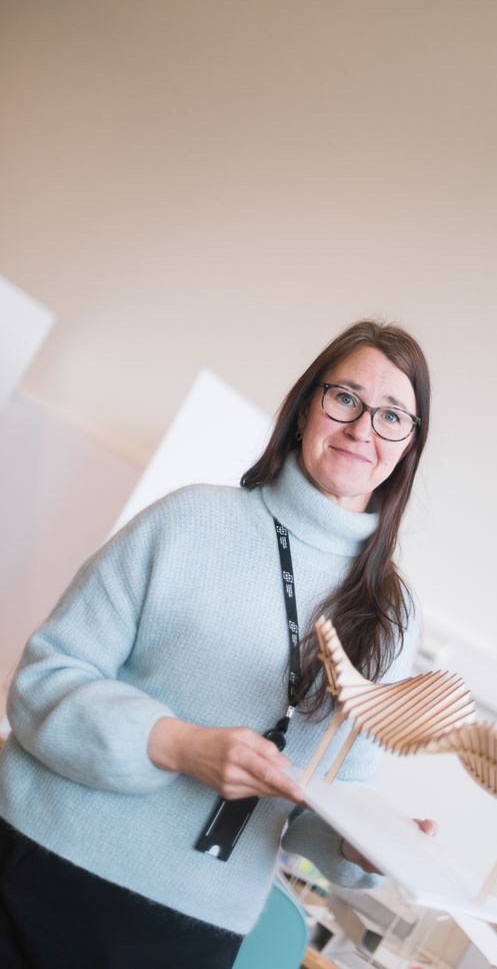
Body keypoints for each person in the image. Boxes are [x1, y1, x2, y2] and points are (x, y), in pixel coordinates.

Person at [0, 318, 432, 968]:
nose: (362, 428)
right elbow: (41, 682)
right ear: (304, 408)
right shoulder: (190, 518)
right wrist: (179, 745)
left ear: (409, 445)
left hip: (191, 928)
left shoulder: (393, 615)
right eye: (345, 398)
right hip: (33, 864)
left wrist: (365, 847)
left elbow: (333, 798)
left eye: (392, 415)